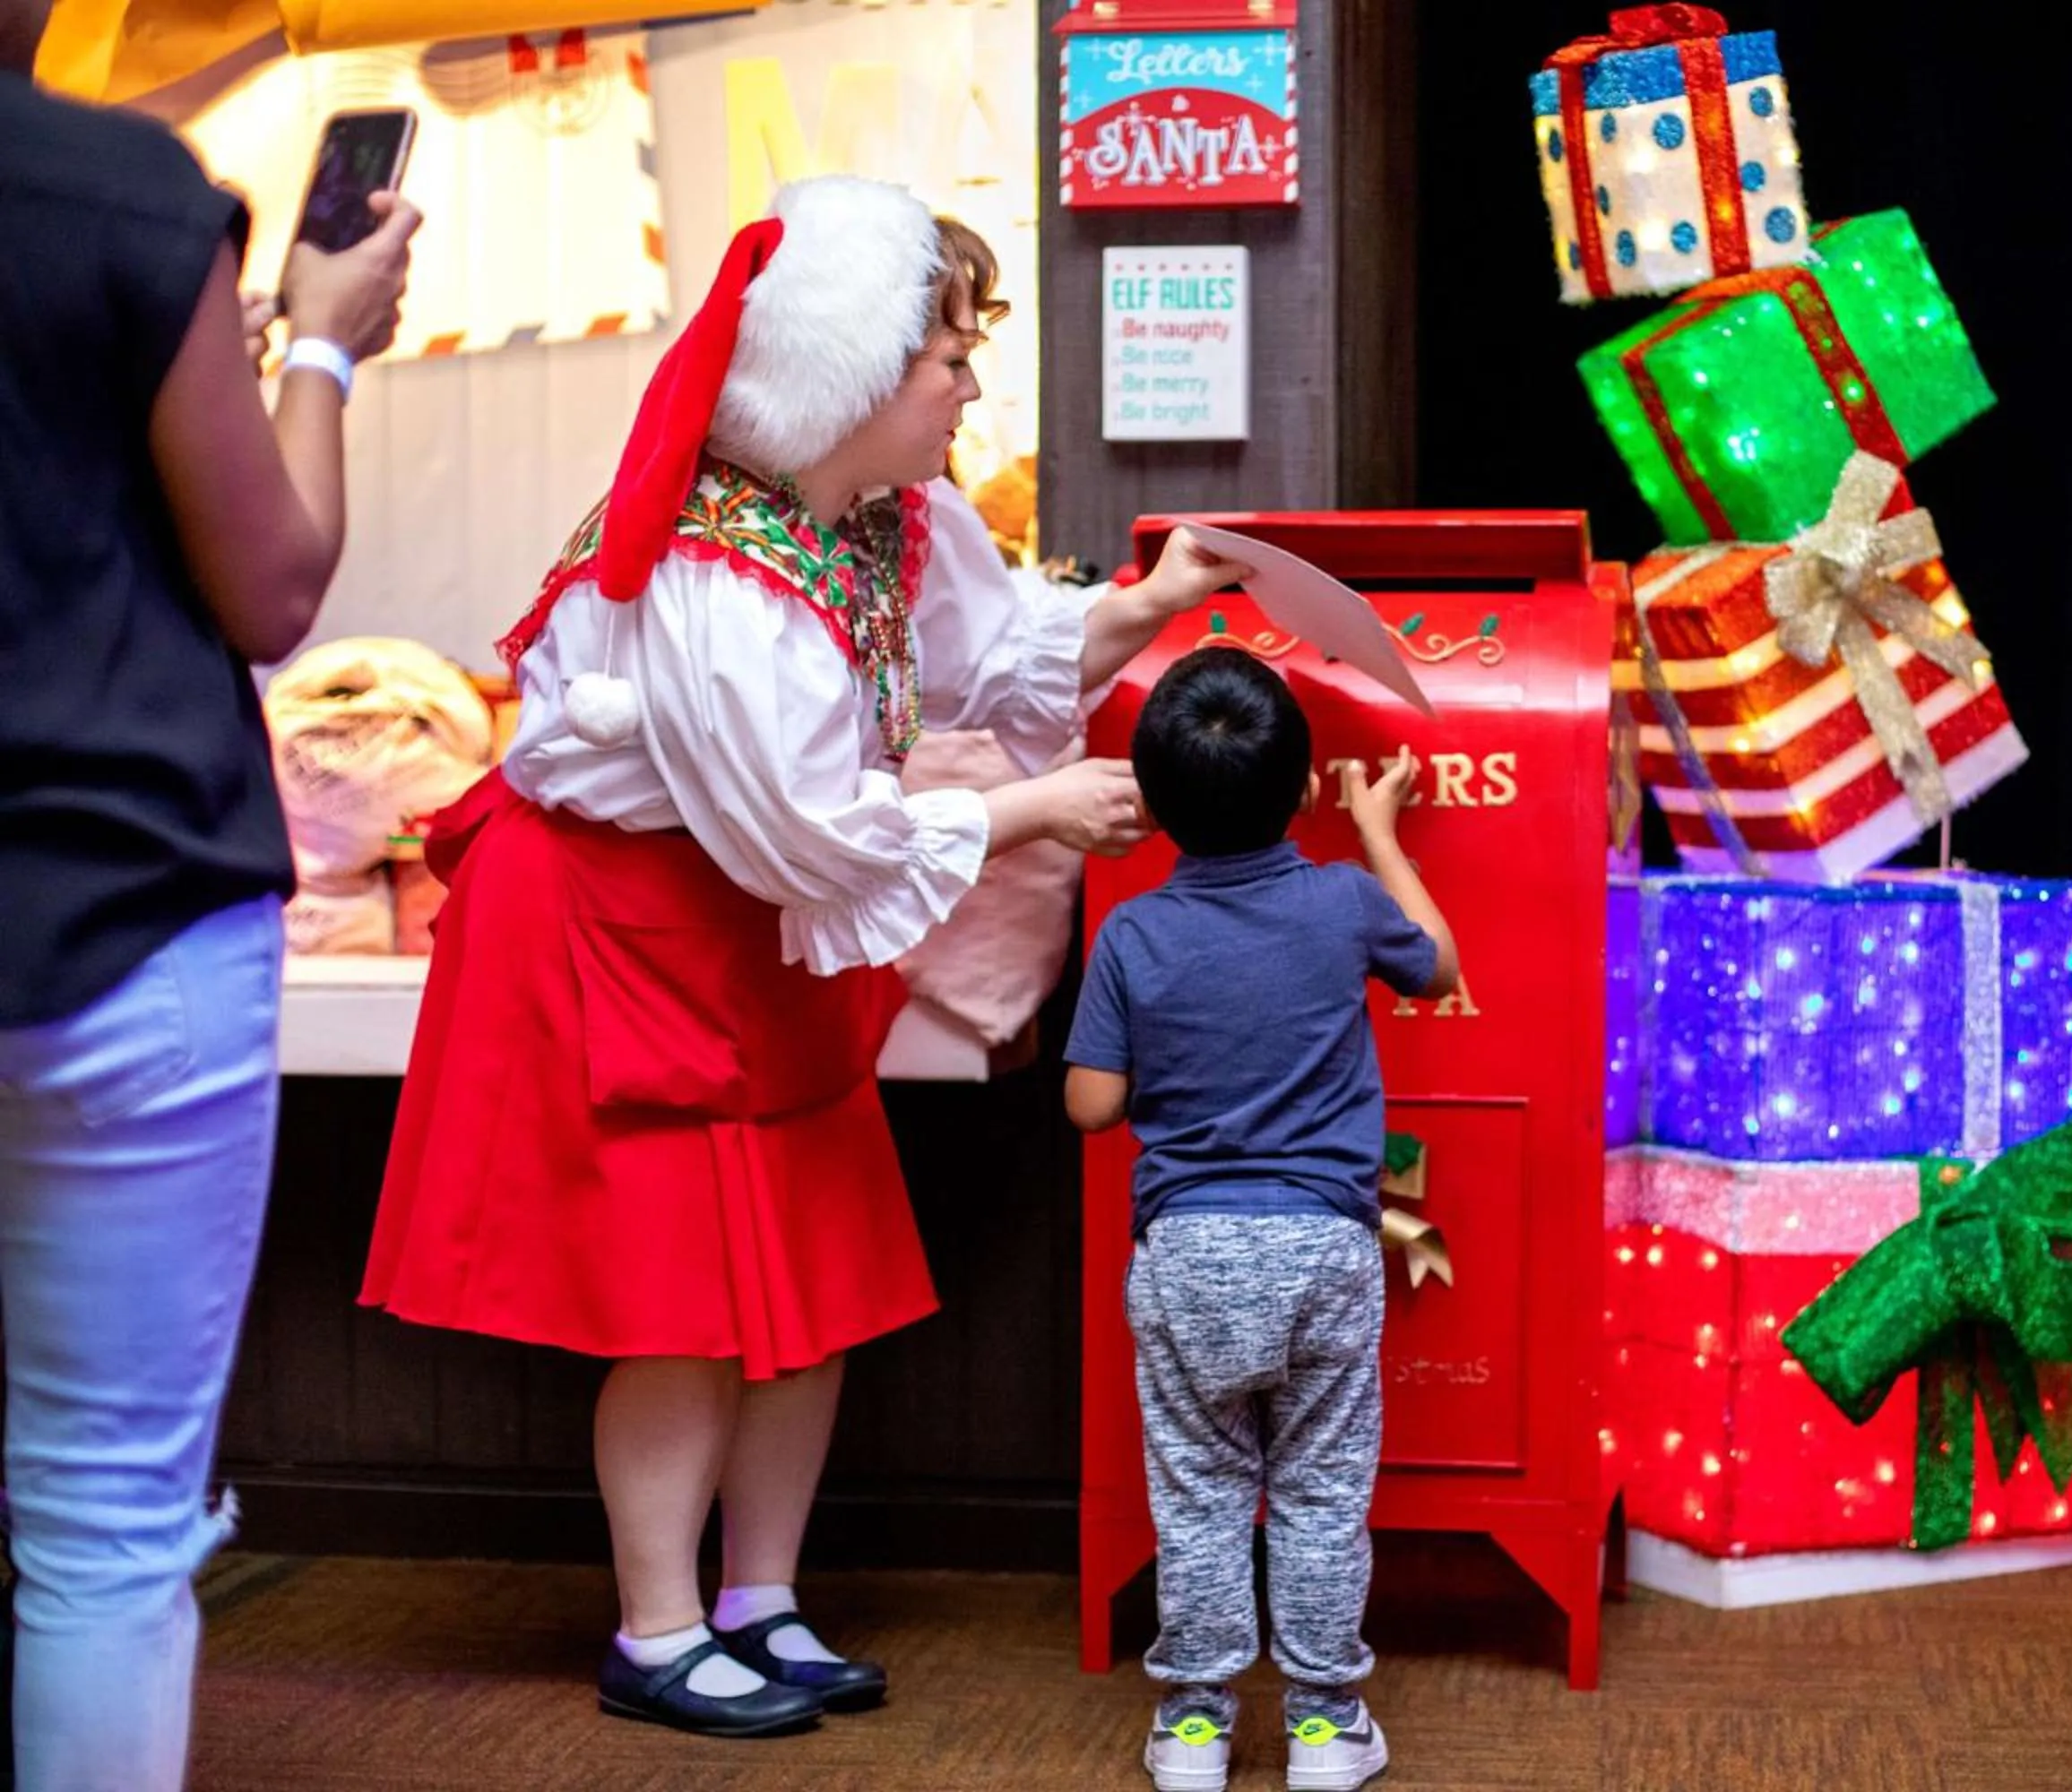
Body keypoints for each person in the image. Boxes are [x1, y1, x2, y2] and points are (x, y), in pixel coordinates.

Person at [355, 175, 1252, 1739]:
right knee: (685, 1311)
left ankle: (757, 1600)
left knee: (811, 1294)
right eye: (950, 355)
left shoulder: (887, 519)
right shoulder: (714, 577)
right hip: (628, 934)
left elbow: (999, 658)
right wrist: (1033, 811)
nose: (969, 386)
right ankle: (655, 1627)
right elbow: (811, 836)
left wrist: (1149, 605)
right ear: (848, 375)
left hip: (747, 933)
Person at [0, 4, 418, 1786]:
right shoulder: (117, 196)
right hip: (126, 911)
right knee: (103, 1526)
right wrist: (318, 348)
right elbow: (272, 585)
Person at [1064, 650, 1460, 1792]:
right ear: (1299, 790)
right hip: (1325, 1243)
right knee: (1322, 1493)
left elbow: (1091, 1105)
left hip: (1188, 1250)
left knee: (1198, 1492)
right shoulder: (1341, 900)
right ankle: (1324, 1728)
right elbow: (1438, 967)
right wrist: (1378, 834)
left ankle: (1195, 1727)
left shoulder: (1132, 932)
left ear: (1152, 804)